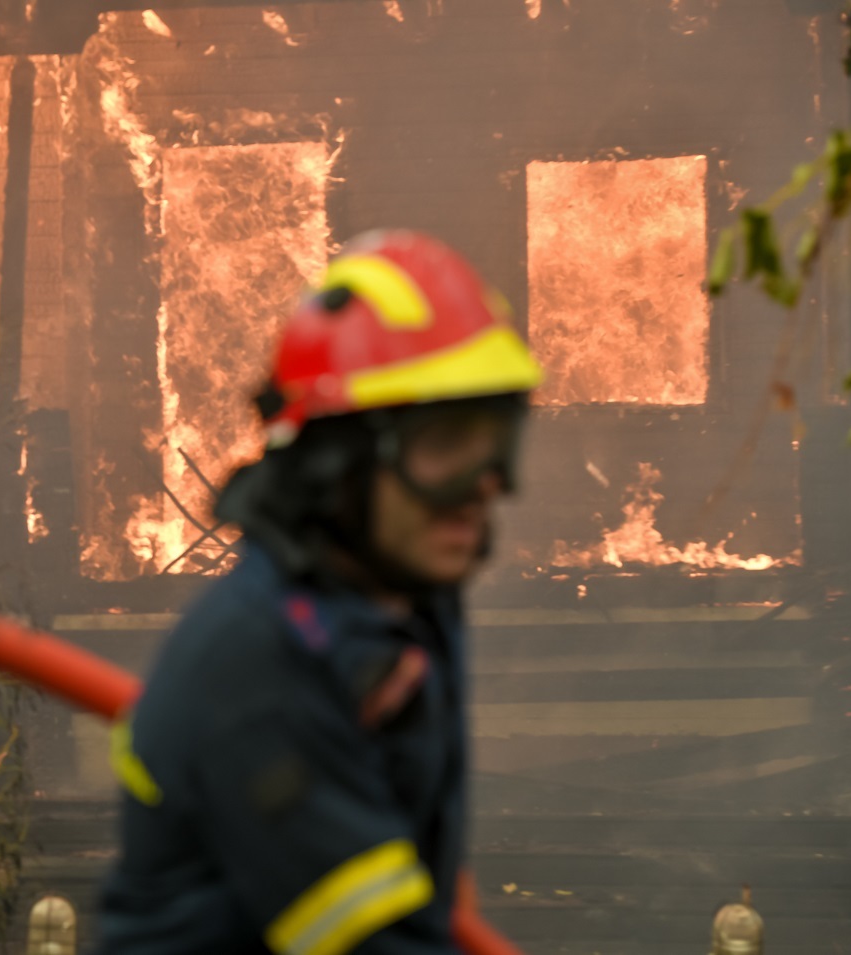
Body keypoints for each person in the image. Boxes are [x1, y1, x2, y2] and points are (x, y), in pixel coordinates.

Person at [97, 230, 544, 955]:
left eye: (495, 445)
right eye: (444, 447)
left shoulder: (407, 592)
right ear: (339, 464)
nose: (483, 487)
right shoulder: (255, 661)